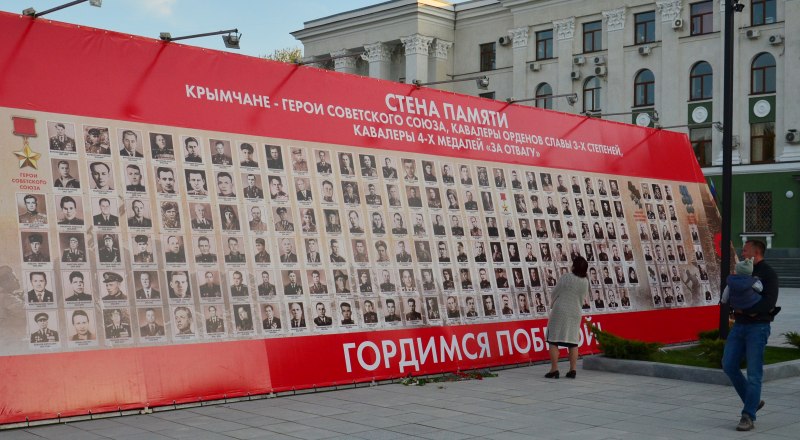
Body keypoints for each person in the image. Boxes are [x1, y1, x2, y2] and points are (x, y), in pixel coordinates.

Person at [722, 240, 780, 431]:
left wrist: (746, 311)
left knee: (754, 373)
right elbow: (732, 295)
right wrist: (734, 308)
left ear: (756, 253)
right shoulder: (741, 271)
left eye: (745, 250)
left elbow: (769, 302)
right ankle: (753, 400)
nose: (742, 252)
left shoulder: (768, 274)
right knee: (729, 364)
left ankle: (748, 416)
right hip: (739, 326)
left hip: (758, 327)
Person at [545, 256, 589, 379]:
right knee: (573, 342)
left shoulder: (566, 277)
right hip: (575, 312)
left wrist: (552, 303)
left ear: (574, 266)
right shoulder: (585, 282)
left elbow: (555, 292)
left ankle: (554, 369)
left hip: (560, 311)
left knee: (553, 340)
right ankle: (572, 370)